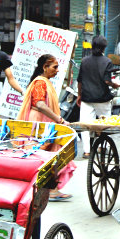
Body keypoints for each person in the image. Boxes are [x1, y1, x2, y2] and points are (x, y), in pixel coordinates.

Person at [17, 54, 76, 201]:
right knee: (42, 156)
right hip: (38, 123)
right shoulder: (40, 83)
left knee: (49, 155)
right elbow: (39, 104)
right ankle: (46, 189)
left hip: (44, 123)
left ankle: (50, 189)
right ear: (44, 67)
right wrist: (59, 119)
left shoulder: (45, 82)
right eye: (54, 67)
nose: (57, 70)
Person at [77, 36, 120, 157]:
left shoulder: (84, 61)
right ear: (104, 48)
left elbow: (79, 80)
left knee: (85, 124)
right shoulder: (107, 61)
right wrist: (114, 85)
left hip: (87, 98)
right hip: (102, 98)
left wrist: (79, 95)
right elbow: (107, 81)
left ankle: (86, 151)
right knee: (104, 122)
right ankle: (101, 147)